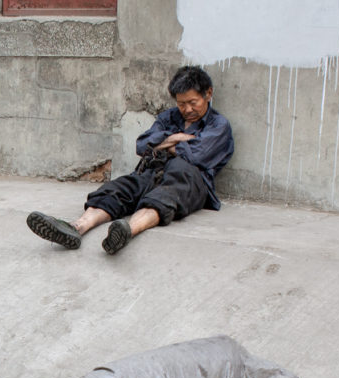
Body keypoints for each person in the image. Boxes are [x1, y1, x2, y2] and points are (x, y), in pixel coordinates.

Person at [26, 65, 234, 255]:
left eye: (192, 103)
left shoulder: (219, 125)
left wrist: (161, 144)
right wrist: (177, 138)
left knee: (162, 198)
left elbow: (196, 155)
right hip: (152, 170)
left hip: (188, 179)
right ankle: (75, 228)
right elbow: (142, 145)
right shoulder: (169, 117)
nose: (187, 109)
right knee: (117, 189)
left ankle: (127, 231)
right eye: (181, 104)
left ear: (208, 94)